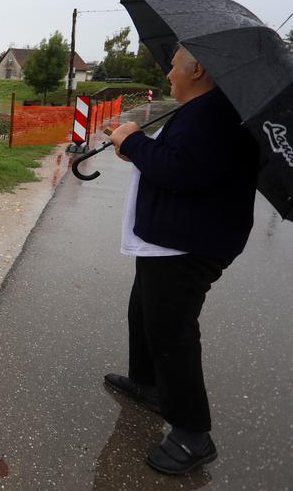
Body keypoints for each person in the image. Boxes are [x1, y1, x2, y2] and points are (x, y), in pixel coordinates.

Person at [104, 45, 259, 475]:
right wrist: (136, 147)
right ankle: (150, 384)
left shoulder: (214, 114)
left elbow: (183, 172)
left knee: (172, 329)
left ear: (198, 69)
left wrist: (133, 140)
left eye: (174, 65)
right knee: (146, 312)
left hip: (190, 243)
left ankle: (193, 435)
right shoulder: (205, 108)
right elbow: (179, 159)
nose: (169, 73)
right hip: (170, 238)